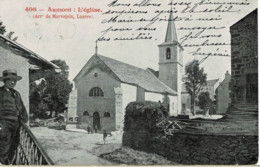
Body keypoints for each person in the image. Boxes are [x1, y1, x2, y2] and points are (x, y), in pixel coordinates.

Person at [0, 69, 28, 165]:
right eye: (10, 80)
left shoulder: (17, 93)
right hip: (4, 124)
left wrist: (25, 118)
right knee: (4, 146)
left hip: (16, 124)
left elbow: (22, 107)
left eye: (14, 80)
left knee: (14, 145)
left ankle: (9, 163)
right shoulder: (0, 92)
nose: (12, 82)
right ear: (4, 81)